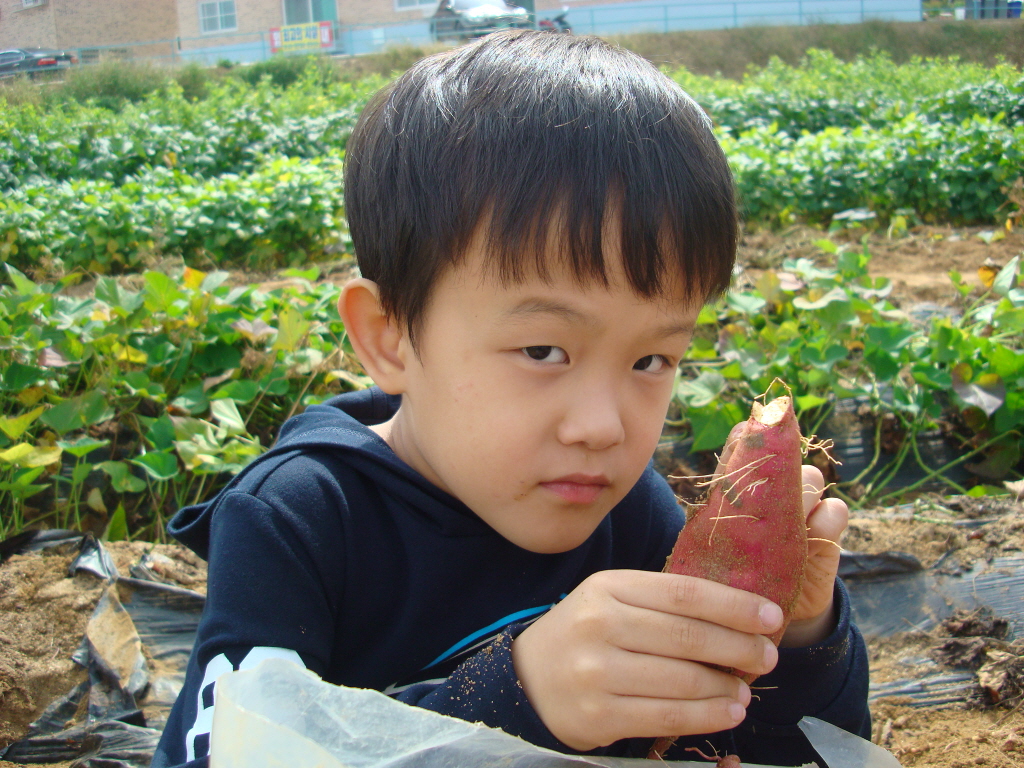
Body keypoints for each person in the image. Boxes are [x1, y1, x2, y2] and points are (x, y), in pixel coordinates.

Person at [151, 30, 869, 768]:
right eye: (542, 351)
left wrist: (795, 636)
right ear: (390, 336)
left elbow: (782, 752)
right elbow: (222, 754)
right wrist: (513, 699)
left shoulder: (630, 514)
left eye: (652, 358)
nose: (602, 427)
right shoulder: (298, 520)